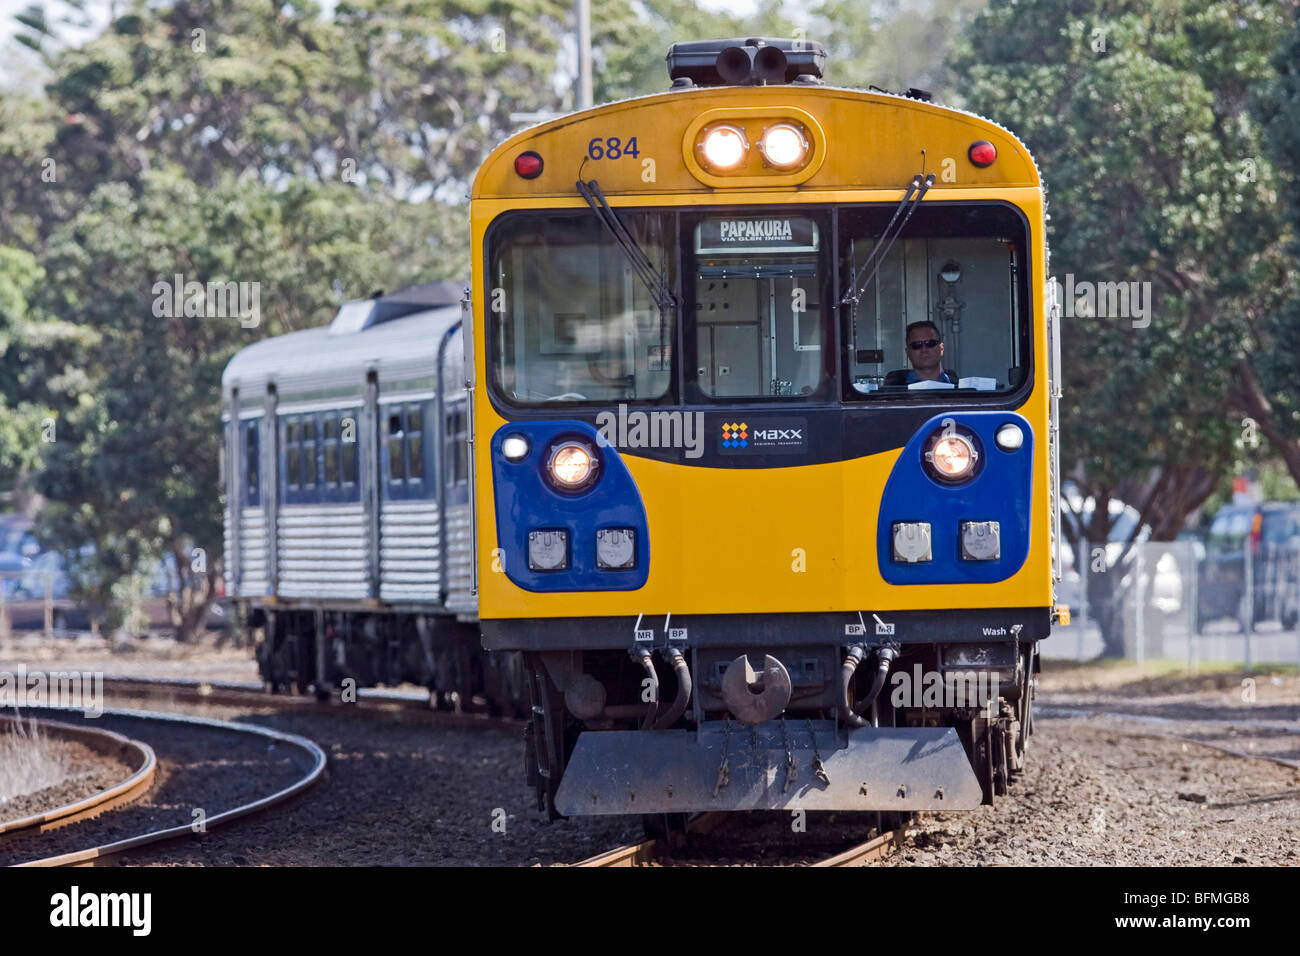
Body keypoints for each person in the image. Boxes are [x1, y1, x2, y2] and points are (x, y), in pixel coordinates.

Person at [883, 320, 957, 385]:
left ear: (941, 348)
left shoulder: (960, 386)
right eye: (916, 345)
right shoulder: (891, 389)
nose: (924, 350)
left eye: (930, 343)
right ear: (908, 353)